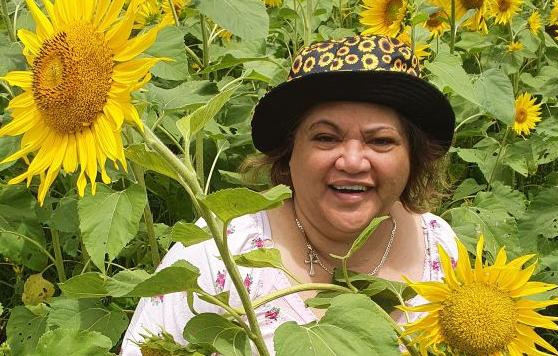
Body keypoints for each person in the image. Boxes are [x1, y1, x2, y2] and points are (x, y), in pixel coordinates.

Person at [121, 34, 459, 355]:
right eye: (326, 138)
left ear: (413, 157)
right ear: (289, 151)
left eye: (381, 141)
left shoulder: (439, 246)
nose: (353, 161)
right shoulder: (218, 253)